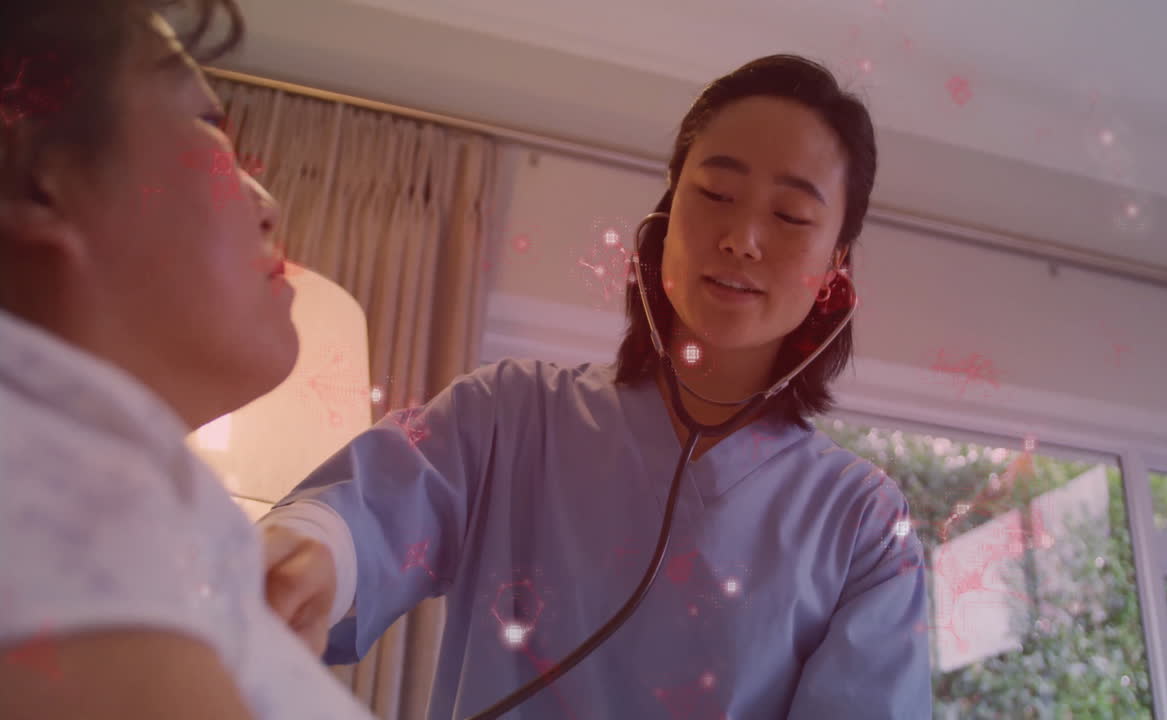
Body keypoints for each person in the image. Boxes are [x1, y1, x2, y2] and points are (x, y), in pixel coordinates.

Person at [260, 54, 933, 719]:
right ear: (667, 215)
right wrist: (312, 554)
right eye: (716, 195)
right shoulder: (509, 414)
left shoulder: (864, 527)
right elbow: (367, 514)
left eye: (790, 215)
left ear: (836, 263)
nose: (742, 239)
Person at [0, 2, 377, 719]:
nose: (267, 206)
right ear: (33, 171)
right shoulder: (59, 497)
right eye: (209, 126)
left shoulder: (135, 523)